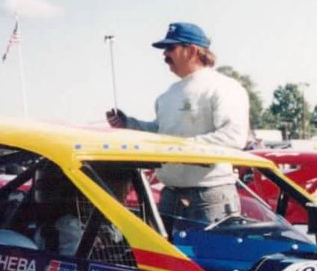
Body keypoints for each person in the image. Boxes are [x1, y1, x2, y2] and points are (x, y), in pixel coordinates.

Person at [106, 22, 249, 225]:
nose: (164, 54)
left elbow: (233, 137)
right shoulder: (167, 95)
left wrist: (180, 149)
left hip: (210, 197)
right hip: (170, 195)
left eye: (171, 48)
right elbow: (160, 132)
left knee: (207, 258)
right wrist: (128, 123)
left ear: (192, 50)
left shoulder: (224, 87)